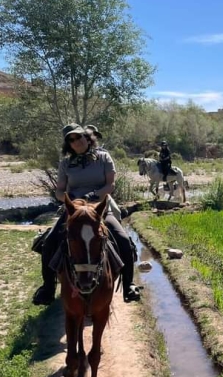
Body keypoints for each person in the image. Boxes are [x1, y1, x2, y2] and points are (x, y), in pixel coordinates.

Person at [32, 123, 141, 306]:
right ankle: (48, 288)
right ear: (68, 144)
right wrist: (68, 198)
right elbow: (59, 190)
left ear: (87, 137)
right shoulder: (65, 163)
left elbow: (110, 185)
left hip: (99, 207)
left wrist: (95, 194)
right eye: (71, 140)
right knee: (50, 241)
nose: (76, 142)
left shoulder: (104, 157)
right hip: (75, 208)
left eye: (79, 137)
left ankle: (129, 285)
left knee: (122, 239)